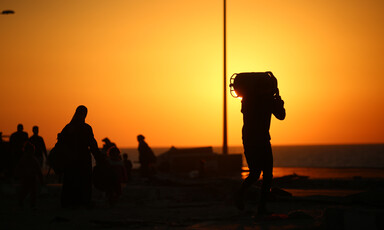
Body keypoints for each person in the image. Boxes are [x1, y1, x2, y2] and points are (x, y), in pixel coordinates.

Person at [234, 73, 286, 215]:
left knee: (255, 173)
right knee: (267, 174)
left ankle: (241, 195)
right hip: (261, 139)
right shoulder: (266, 100)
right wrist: (278, 102)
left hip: (249, 139)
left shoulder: (248, 99)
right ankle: (260, 207)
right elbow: (281, 115)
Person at [59, 105, 102, 208]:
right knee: (84, 181)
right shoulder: (86, 128)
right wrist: (98, 158)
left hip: (70, 159)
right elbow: (92, 144)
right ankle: (83, 201)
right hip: (83, 159)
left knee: (70, 180)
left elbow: (61, 142)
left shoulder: (68, 127)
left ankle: (69, 202)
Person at [15, 141, 43, 208]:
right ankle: (22, 203)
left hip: (31, 178)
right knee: (26, 191)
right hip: (26, 178)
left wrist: (41, 179)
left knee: (32, 192)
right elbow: (19, 168)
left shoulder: (32, 159)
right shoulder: (25, 159)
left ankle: (31, 205)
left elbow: (38, 170)